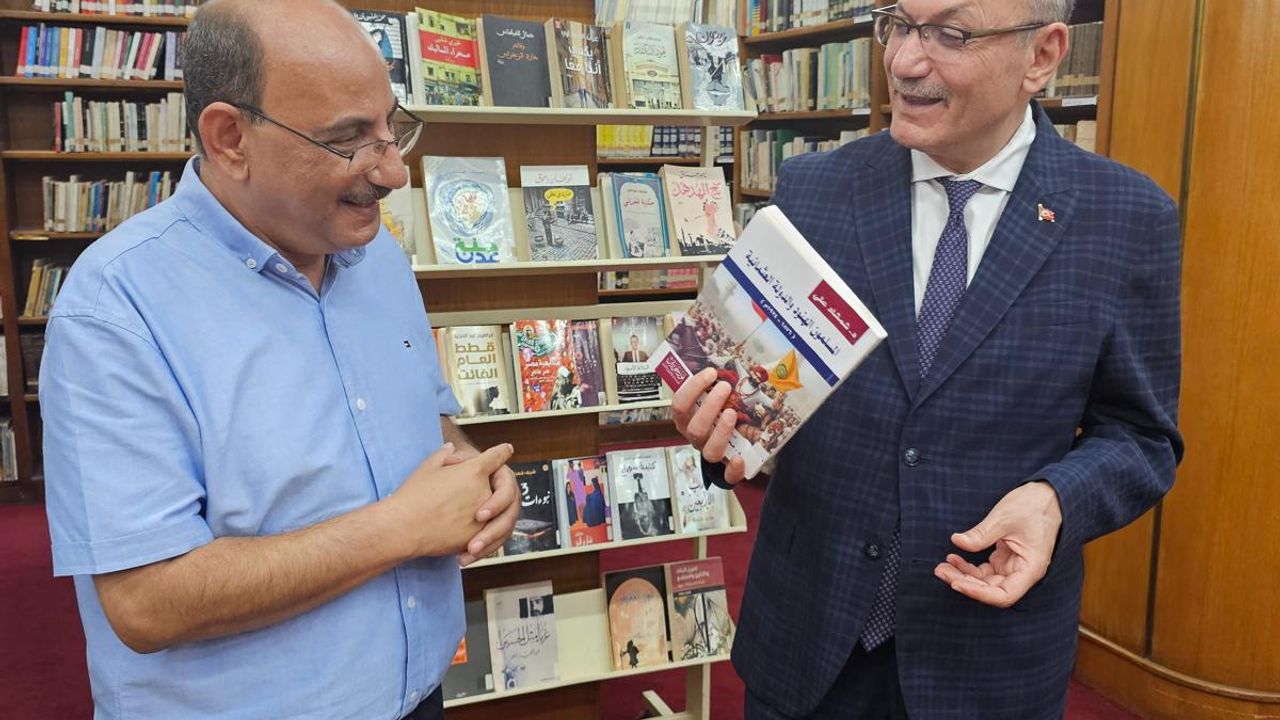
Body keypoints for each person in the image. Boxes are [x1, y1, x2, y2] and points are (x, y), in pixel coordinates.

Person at [672, 1, 1183, 718]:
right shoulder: (812, 191)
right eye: (900, 23)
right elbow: (750, 387)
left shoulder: (1126, 218)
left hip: (985, 660)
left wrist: (1057, 500)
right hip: (806, 636)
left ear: (1042, 56)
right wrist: (720, 424)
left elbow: (1141, 435)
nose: (905, 62)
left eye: (951, 34)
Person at [39, 1, 520, 719]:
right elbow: (146, 601)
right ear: (230, 138)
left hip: (418, 693)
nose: (394, 171)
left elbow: (425, 416)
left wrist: (473, 471)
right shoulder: (116, 308)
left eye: (392, 128)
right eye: (349, 139)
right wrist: (401, 528)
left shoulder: (376, 254)